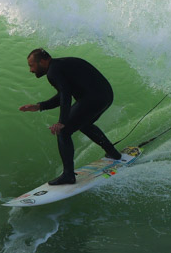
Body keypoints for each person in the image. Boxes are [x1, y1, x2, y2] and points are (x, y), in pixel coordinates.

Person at [19, 48, 122, 185]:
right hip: (105, 96)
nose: (31, 70)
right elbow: (63, 94)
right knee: (84, 124)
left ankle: (68, 175)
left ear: (43, 61)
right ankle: (113, 153)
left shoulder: (53, 72)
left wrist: (62, 122)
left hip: (92, 98)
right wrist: (39, 106)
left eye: (32, 65)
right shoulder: (60, 66)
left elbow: (66, 96)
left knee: (63, 132)